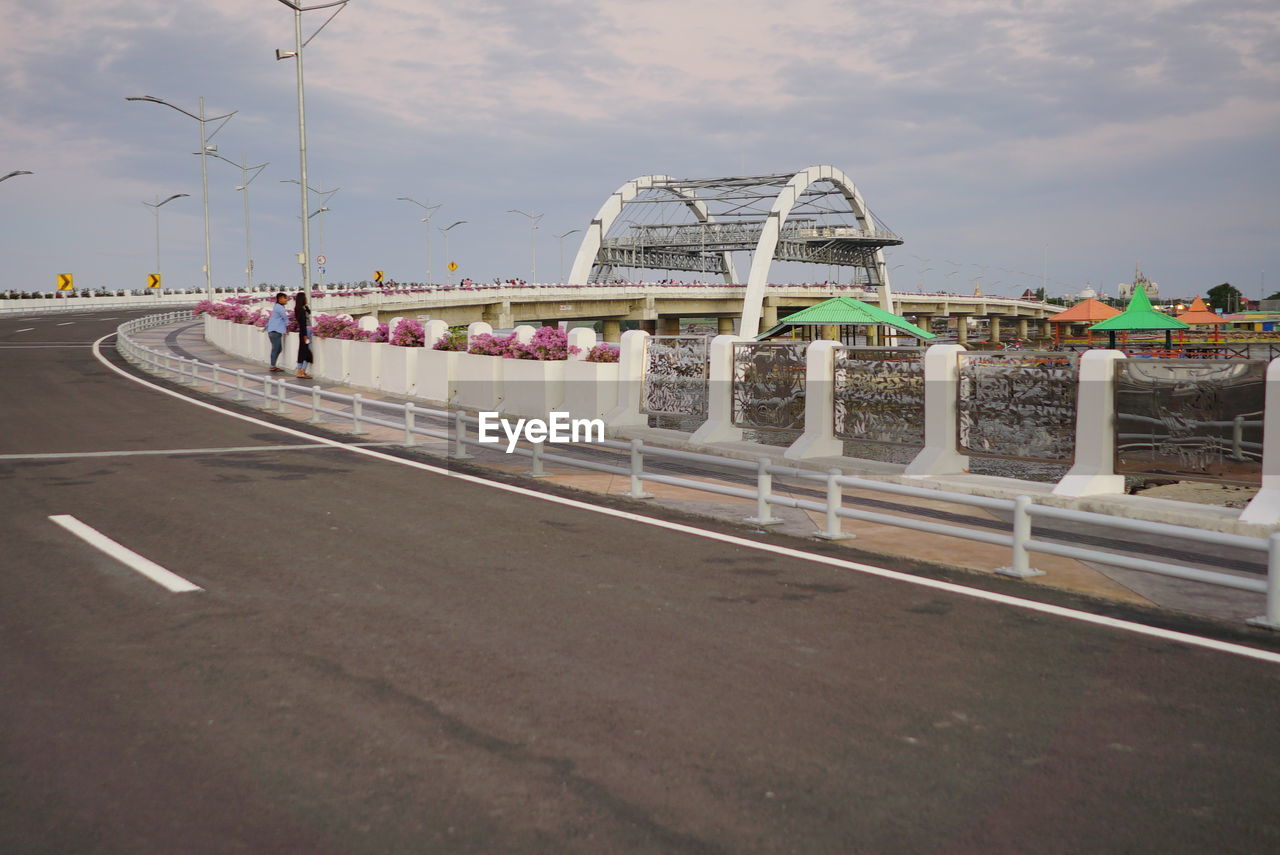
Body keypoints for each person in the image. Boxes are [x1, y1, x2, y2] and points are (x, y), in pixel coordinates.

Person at [265, 292, 289, 372]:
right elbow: (285, 318)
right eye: (285, 298)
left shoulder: (278, 306)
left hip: (274, 330)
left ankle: (273, 365)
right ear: (280, 299)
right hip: (274, 331)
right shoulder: (279, 308)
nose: (286, 300)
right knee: (276, 349)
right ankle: (272, 366)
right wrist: (288, 325)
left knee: (278, 349)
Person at [294, 290, 313, 379]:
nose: (306, 299)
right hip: (306, 332)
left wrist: (305, 306)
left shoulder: (300, 309)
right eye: (305, 298)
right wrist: (305, 335)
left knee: (302, 351)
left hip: (304, 332)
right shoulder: (301, 311)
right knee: (306, 351)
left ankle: (299, 371)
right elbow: (302, 323)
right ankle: (302, 371)